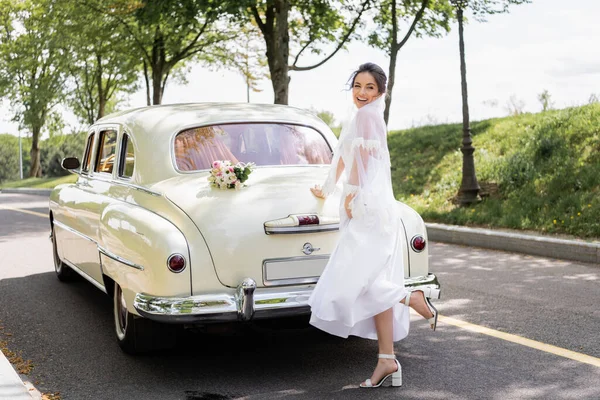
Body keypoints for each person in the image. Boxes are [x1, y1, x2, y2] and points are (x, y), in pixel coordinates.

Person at [308, 62, 438, 388]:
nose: (362, 93)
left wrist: (350, 197)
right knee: (371, 281)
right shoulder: (362, 117)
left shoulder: (367, 116)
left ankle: (410, 298)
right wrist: (325, 190)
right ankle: (386, 359)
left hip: (365, 207)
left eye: (369, 87)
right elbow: (342, 155)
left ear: (381, 91)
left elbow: (362, 162)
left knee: (349, 282)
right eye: (357, 86)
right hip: (372, 207)